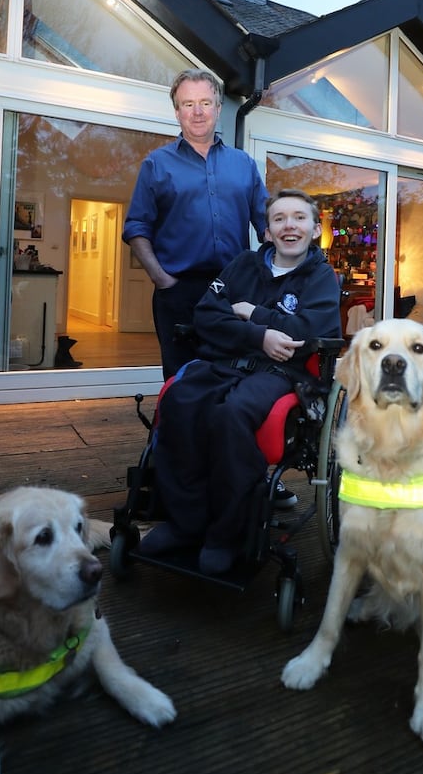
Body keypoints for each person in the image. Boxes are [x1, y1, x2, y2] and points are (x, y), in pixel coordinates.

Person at [139, 189, 342, 576]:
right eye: (279, 219)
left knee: (233, 416)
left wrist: (252, 312)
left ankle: (225, 535)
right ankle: (184, 524)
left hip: (282, 374)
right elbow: (206, 315)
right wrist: (259, 335)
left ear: (315, 229)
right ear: (267, 232)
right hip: (224, 362)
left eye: (299, 218)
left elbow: (308, 330)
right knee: (180, 402)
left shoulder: (321, 278)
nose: (289, 226)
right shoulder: (242, 265)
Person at [123, 68, 268, 380]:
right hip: (178, 291)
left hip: (233, 292)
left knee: (232, 376)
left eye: (205, 102)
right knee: (181, 379)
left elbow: (266, 225)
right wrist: (161, 279)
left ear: (218, 108)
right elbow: (136, 227)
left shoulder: (243, 165)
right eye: (188, 104)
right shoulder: (156, 164)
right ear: (177, 112)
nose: (198, 112)